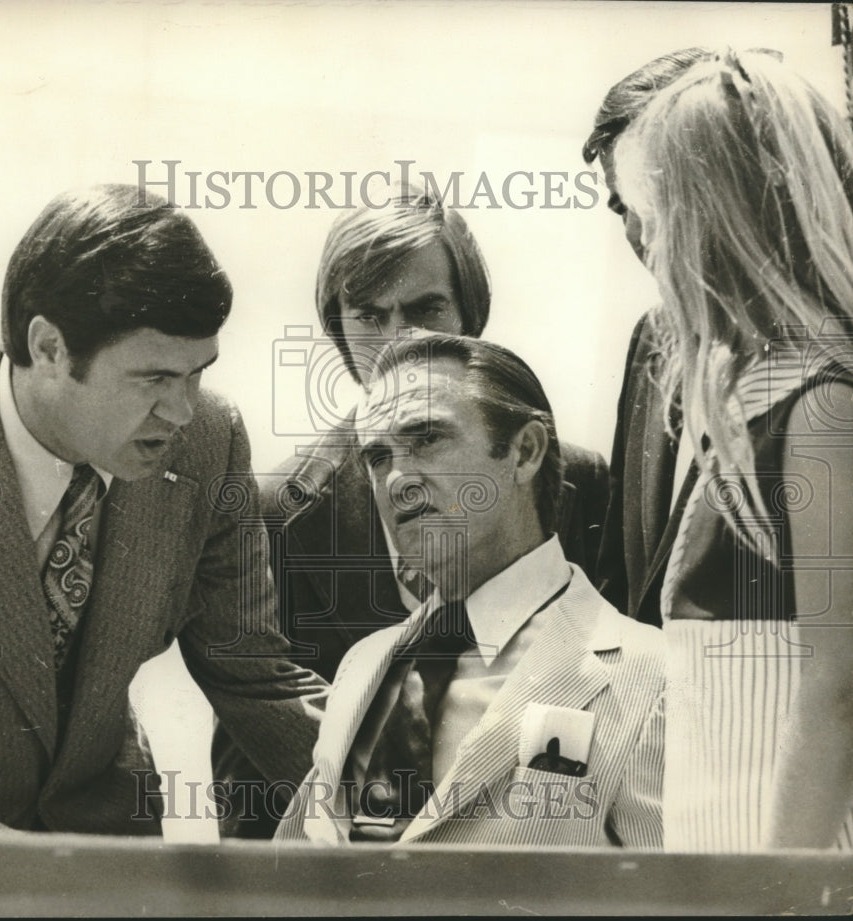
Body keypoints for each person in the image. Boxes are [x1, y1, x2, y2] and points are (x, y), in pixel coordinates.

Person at [0, 184, 326, 833]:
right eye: (154, 378)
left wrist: (410, 811)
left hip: (112, 858)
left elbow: (254, 678)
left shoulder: (210, 444)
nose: (182, 410)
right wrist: (56, 884)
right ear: (48, 348)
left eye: (197, 373)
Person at [212, 185, 610, 837]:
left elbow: (612, 707)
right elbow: (248, 777)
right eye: (370, 315)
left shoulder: (578, 485)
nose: (401, 340)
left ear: (470, 316)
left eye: (426, 308)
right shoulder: (281, 512)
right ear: (337, 329)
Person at [275, 334, 665, 848]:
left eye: (428, 438)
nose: (396, 480)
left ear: (524, 452)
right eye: (377, 457)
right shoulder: (362, 667)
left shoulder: (653, 676)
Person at [613, 48, 853, 851]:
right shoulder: (746, 399)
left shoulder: (821, 406)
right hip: (718, 869)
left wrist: (777, 892)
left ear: (721, 212)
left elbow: (840, 685)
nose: (643, 234)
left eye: (655, 204)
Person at [585, 47, 714, 628]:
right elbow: (620, 579)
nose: (637, 231)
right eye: (620, 208)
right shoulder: (652, 339)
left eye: (650, 195)